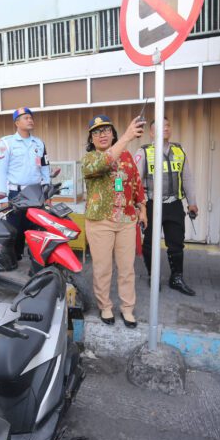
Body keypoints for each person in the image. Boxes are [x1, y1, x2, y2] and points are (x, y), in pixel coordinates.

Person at [82, 115, 147, 328]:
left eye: (106, 130)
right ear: (91, 138)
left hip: (126, 219)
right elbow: (105, 162)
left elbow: (137, 183)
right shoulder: (90, 158)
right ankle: (105, 306)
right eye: (97, 132)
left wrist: (142, 207)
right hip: (100, 220)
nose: (102, 135)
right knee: (102, 268)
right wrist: (127, 137)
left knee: (127, 268)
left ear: (113, 133)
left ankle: (127, 308)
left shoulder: (127, 156)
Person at [134, 117, 198, 296]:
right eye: (161, 127)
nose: (166, 128)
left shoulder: (179, 150)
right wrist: (140, 208)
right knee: (149, 244)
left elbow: (187, 177)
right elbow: (135, 181)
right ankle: (152, 276)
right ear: (152, 133)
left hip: (174, 204)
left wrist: (192, 202)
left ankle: (176, 278)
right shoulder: (144, 152)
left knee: (177, 243)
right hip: (152, 205)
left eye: (168, 125)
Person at [0, 107, 50, 261]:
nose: (30, 120)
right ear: (17, 122)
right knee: (15, 231)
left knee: (36, 228)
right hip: (16, 195)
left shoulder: (39, 143)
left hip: (36, 194)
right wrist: (2, 199)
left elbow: (45, 167)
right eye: (26, 118)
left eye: (31, 117)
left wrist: (47, 192)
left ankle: (36, 261)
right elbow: (1, 171)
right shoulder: (6, 143)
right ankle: (13, 260)